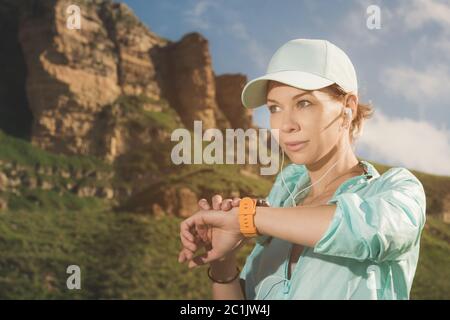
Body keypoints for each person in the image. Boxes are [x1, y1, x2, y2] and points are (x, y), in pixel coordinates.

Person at [178, 39, 426, 300]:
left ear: (348, 108)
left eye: (304, 103)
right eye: (275, 108)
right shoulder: (281, 201)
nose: (286, 125)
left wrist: (247, 219)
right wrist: (224, 264)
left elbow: (364, 232)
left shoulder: (396, 191)